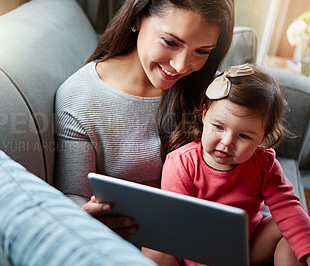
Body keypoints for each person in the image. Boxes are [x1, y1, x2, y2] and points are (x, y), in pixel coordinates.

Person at [54, 0, 234, 239]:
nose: (181, 66)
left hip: (206, 234)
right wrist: (86, 216)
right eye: (170, 42)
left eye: (201, 51)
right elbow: (74, 194)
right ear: (138, 18)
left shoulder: (211, 89)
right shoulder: (79, 98)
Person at [142, 64, 310, 265]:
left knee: (292, 230)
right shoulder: (182, 162)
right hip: (194, 250)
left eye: (244, 136)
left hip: (247, 248)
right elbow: (180, 226)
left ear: (262, 138)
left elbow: (287, 206)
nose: (227, 142)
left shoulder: (264, 163)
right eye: (219, 127)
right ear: (205, 116)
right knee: (153, 247)